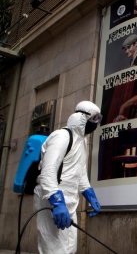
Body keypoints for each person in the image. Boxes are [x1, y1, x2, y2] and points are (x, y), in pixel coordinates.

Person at [33, 100, 102, 254]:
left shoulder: (82, 141)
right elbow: (48, 171)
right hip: (52, 199)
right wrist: (57, 202)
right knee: (54, 249)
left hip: (70, 202)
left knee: (70, 248)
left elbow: (80, 172)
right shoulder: (62, 136)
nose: (95, 124)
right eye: (94, 119)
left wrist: (90, 194)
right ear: (82, 118)